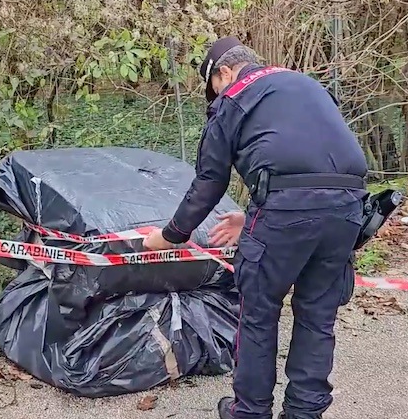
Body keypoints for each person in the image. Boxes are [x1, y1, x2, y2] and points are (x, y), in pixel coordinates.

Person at [143, 37, 368, 419]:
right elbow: (316, 168)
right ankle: (304, 412)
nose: (214, 97)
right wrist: (252, 217)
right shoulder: (307, 85)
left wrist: (168, 236)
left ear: (225, 72)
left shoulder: (234, 97)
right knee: (318, 314)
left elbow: (209, 183)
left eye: (213, 86)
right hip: (348, 208)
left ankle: (248, 411)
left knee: (259, 313)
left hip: (285, 212)